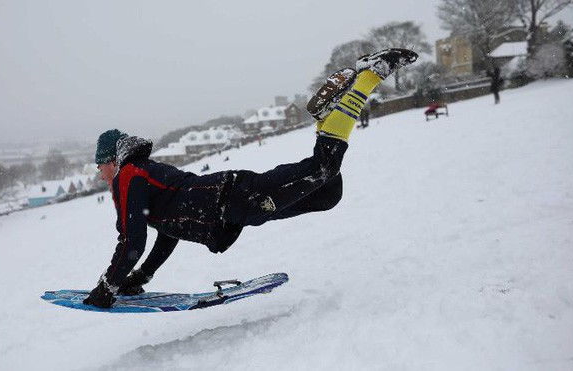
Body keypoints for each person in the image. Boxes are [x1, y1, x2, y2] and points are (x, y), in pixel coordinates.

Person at [83, 48, 419, 308]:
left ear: (112, 159)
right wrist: (141, 275)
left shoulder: (129, 175)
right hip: (235, 202)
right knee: (328, 193)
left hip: (235, 199)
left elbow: (132, 240)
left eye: (101, 165)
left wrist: (107, 286)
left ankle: (367, 78)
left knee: (323, 170)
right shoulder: (145, 173)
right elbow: (167, 232)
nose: (100, 173)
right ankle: (327, 117)